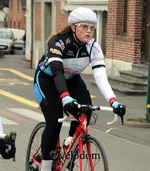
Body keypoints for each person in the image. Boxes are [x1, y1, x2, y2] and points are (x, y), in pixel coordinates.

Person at [34, 7, 126, 171]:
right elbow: (57, 71)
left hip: (71, 79)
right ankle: (46, 167)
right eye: (85, 26)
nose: (89, 31)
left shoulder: (93, 47)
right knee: (54, 120)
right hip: (47, 79)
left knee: (86, 111)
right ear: (73, 27)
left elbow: (100, 76)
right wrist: (65, 97)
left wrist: (113, 101)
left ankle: (69, 142)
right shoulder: (58, 42)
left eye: (92, 27)